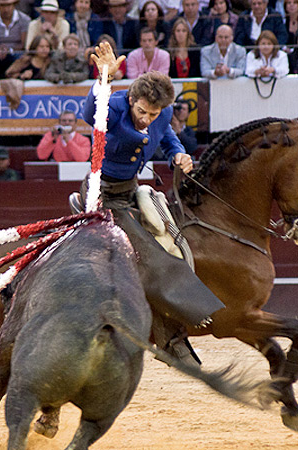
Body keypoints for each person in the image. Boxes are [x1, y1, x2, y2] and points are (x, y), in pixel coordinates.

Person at [81, 41, 225, 362]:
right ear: (132, 99)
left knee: (173, 242)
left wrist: (178, 154)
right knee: (145, 256)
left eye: (153, 114)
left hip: (132, 190)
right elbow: (91, 113)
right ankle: (171, 341)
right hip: (102, 194)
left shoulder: (163, 113)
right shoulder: (116, 105)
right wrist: (103, 80)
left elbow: (166, 135)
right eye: (141, 112)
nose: (146, 119)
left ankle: (175, 330)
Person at [0, 0, 31, 76]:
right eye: (2, 6)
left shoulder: (25, 20)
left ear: (14, 5)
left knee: (23, 57)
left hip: (17, 52)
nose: (6, 9)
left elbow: (23, 44)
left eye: (8, 5)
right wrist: (0, 48)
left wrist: (9, 50)